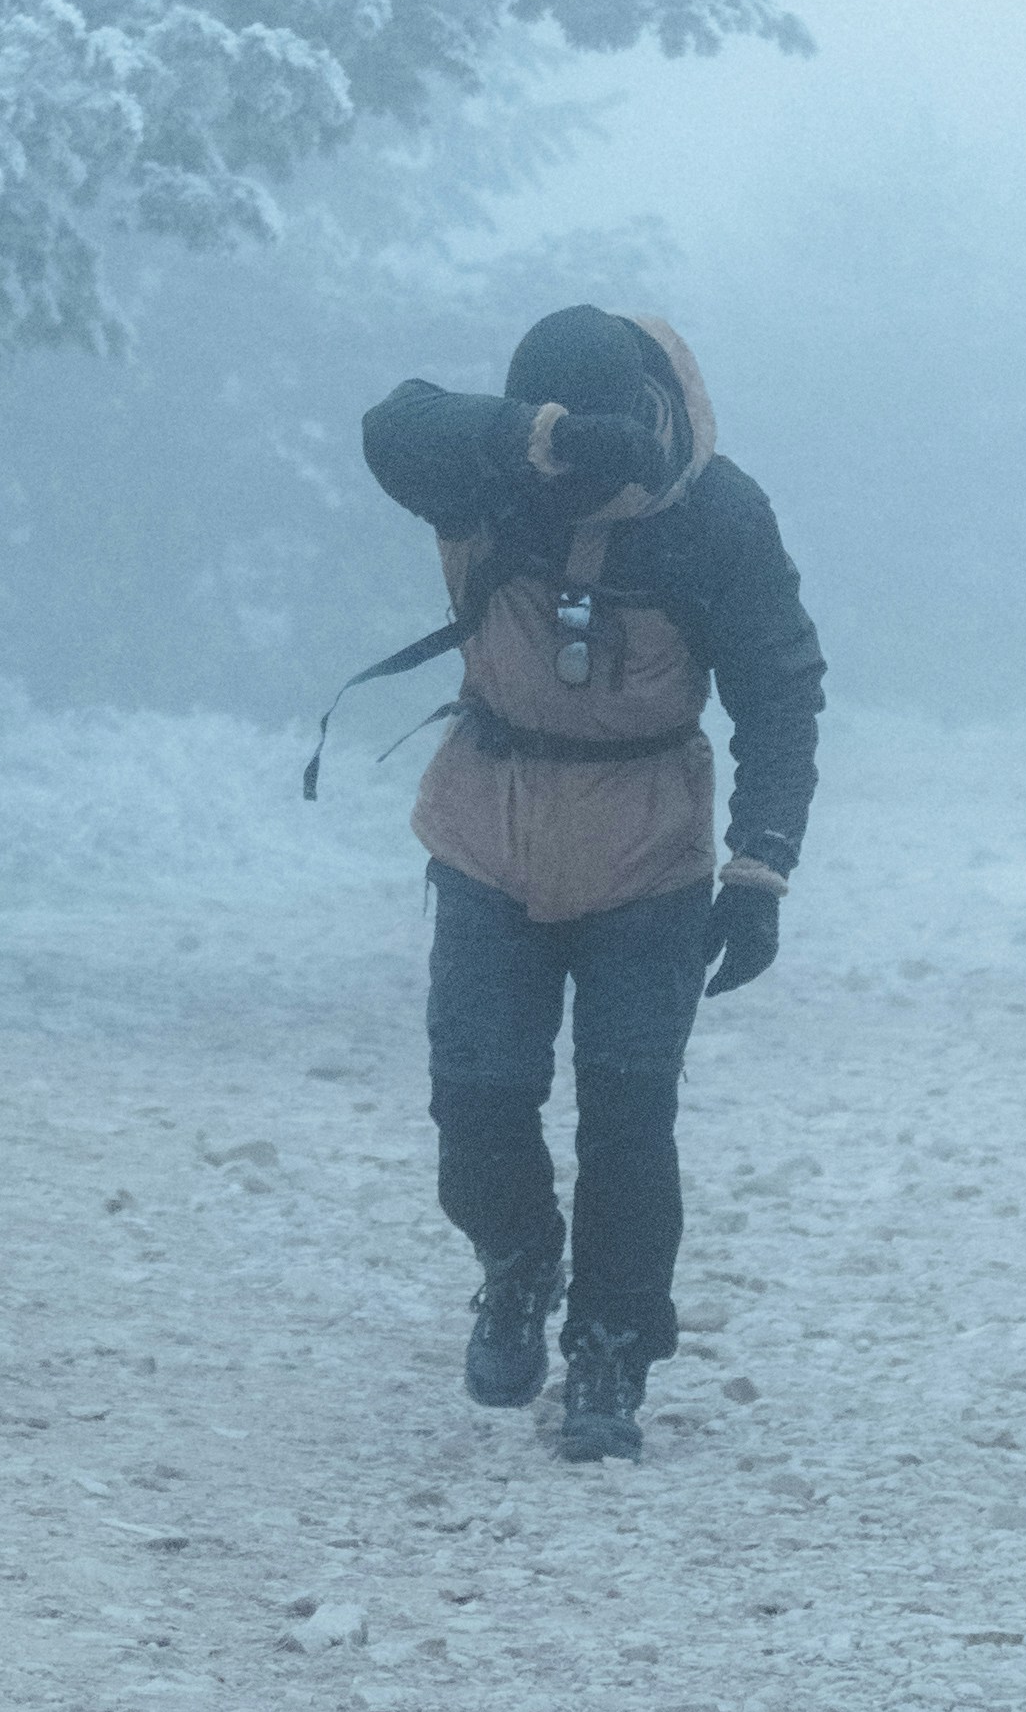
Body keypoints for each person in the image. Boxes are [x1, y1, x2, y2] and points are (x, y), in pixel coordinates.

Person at [351, 306, 823, 1460]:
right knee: (477, 1093)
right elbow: (390, 424)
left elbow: (779, 690)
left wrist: (761, 867)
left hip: (649, 852)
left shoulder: (718, 515)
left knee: (627, 1115)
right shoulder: (482, 474)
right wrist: (540, 438)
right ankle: (515, 1263)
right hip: (486, 831)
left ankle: (611, 1351)